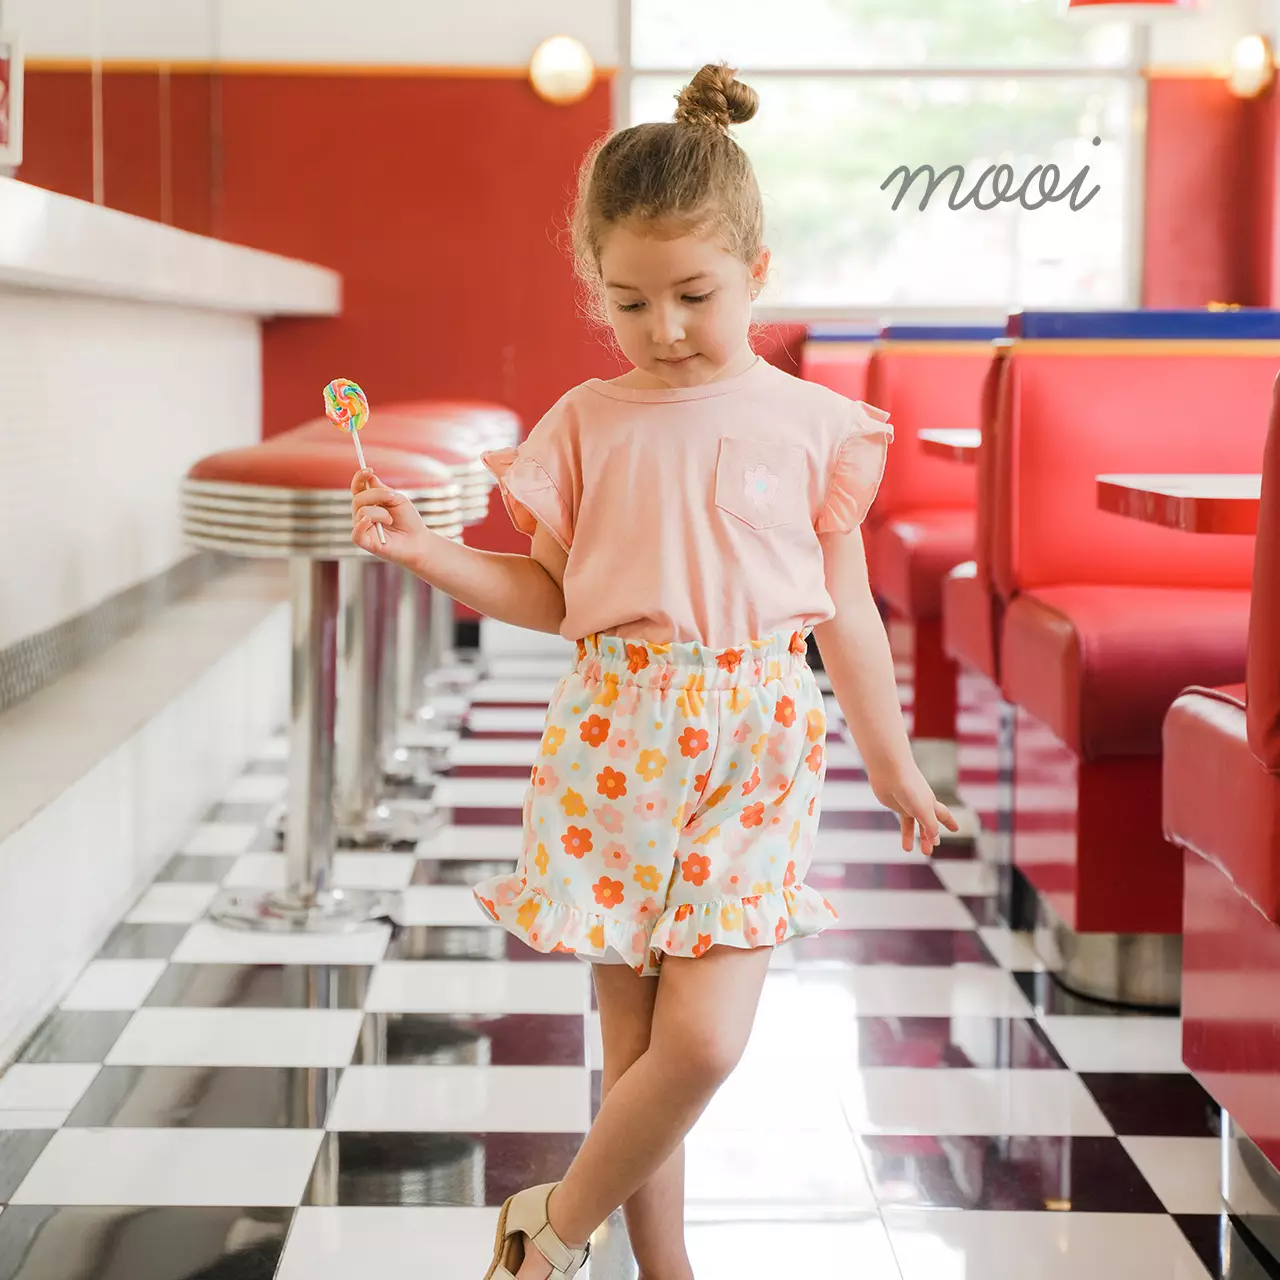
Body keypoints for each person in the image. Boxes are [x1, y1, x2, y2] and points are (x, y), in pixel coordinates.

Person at [351, 60, 957, 1280]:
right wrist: (431, 554)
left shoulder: (810, 424)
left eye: (694, 293)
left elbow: (844, 612)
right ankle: (661, 1267)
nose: (665, 328)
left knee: (702, 1043)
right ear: (595, 293)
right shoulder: (585, 421)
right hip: (612, 744)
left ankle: (547, 1228)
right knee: (635, 1055)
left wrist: (893, 765)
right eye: (630, 303)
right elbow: (553, 597)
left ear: (756, 275)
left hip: (758, 742)